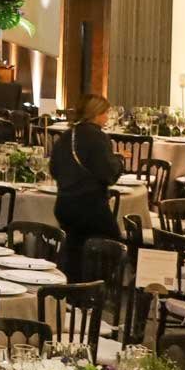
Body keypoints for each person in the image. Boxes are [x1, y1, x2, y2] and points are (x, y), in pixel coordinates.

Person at [52, 93, 123, 275]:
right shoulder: (98, 137)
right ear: (97, 113)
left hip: (64, 205)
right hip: (90, 207)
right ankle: (97, 291)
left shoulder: (67, 135)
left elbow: (54, 168)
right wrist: (119, 162)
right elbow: (108, 174)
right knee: (114, 248)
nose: (107, 118)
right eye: (106, 113)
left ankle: (73, 293)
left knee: (74, 253)